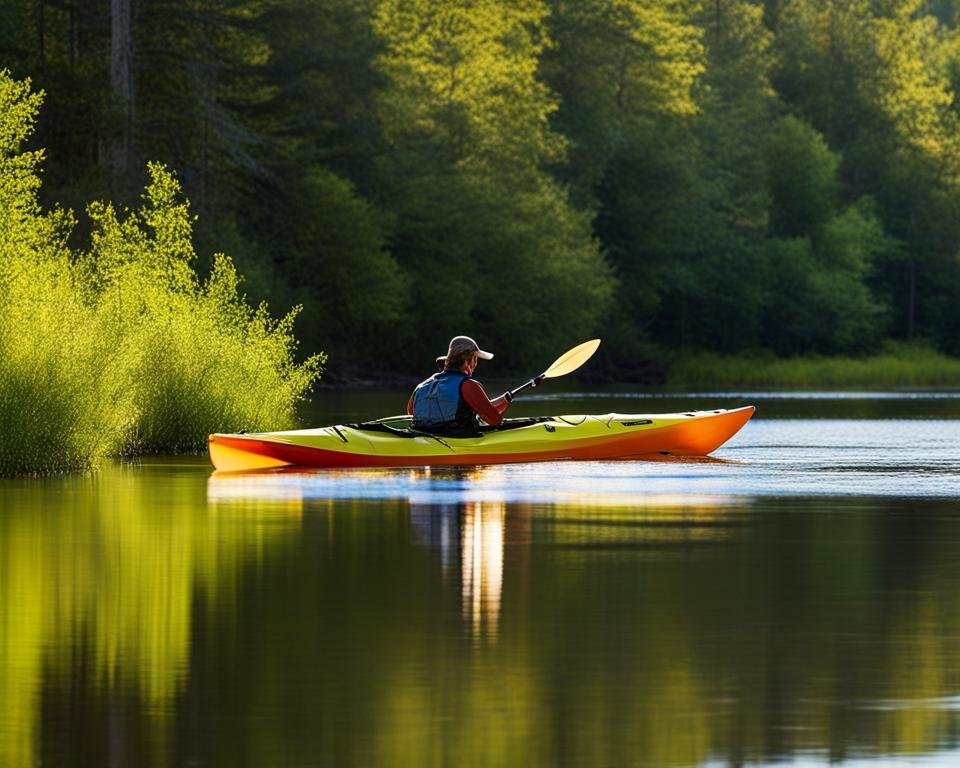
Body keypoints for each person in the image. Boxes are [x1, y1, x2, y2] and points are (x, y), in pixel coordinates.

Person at [407, 336, 512, 435]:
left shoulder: (421, 386)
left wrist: (502, 401)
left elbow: (411, 413)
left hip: (424, 440)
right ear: (467, 361)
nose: (475, 365)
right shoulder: (468, 385)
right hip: (457, 443)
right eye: (475, 360)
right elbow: (495, 420)